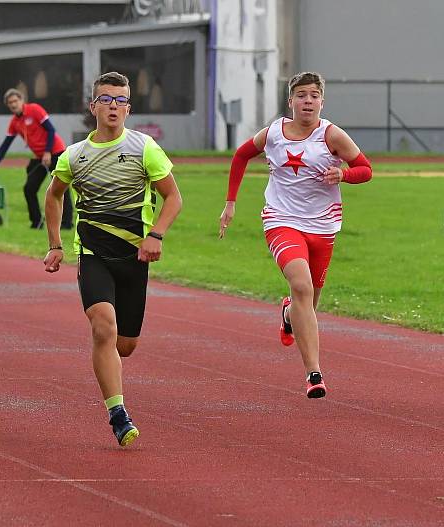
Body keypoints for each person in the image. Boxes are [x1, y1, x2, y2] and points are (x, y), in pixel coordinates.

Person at [43, 72, 183, 446]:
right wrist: (55, 244)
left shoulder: (144, 148)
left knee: (125, 345)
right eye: (106, 99)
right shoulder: (75, 155)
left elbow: (173, 198)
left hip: (134, 258)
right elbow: (54, 196)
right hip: (93, 256)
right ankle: (118, 413)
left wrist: (155, 236)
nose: (113, 106)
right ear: (93, 107)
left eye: (121, 100)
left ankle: (109, 364)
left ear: (128, 108)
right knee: (102, 327)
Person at [218, 72, 372, 399]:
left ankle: (289, 314)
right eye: (301, 95)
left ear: (322, 101)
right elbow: (241, 155)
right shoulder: (274, 133)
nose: (308, 101)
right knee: (300, 285)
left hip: (323, 227)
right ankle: (314, 374)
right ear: (291, 101)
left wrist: (342, 174)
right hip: (281, 220)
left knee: (308, 304)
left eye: (314, 95)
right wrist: (231, 202)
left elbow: (366, 170)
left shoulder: (332, 135)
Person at [0, 88, 73, 229]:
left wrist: (47, 152)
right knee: (29, 188)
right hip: (40, 157)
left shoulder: (34, 109)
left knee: (59, 188)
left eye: (15, 101)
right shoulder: (14, 122)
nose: (13, 104)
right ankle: (36, 223)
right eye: (10, 103)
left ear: (22, 100)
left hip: (56, 152)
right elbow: (5, 145)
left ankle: (67, 224)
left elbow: (51, 130)